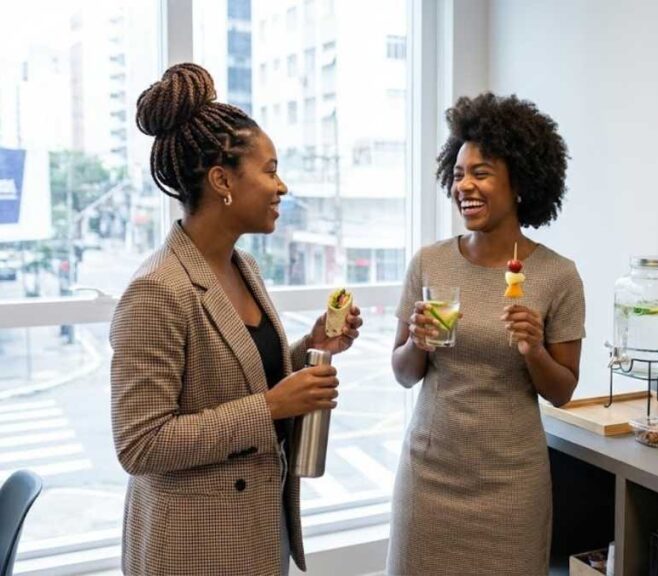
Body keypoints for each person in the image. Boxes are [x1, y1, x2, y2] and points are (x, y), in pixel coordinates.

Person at [110, 63, 362, 576]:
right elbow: (140, 444)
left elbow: (242, 375)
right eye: (269, 170)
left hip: (258, 530)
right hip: (193, 548)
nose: (281, 186)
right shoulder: (156, 290)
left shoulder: (243, 266)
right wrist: (271, 407)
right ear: (222, 180)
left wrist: (309, 347)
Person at [387, 92, 586, 575]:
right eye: (458, 174)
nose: (464, 186)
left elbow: (562, 391)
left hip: (511, 485)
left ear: (520, 182)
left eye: (481, 173)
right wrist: (417, 343)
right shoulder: (430, 262)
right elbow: (403, 374)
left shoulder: (557, 275)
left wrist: (534, 350)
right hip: (429, 475)